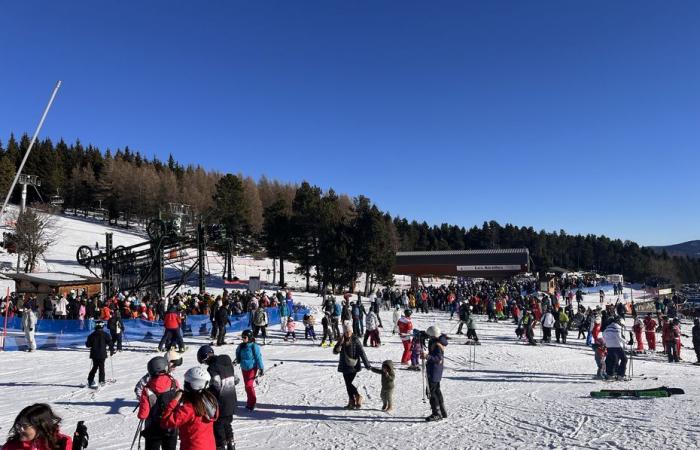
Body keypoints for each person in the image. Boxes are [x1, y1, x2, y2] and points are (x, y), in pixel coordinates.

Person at [161, 367, 219, 450]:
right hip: (209, 446)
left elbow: (166, 421)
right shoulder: (210, 400)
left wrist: (175, 400)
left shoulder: (189, 408)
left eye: (186, 383)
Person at [197, 345, 238, 450]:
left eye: (204, 361)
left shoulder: (212, 368)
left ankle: (221, 446)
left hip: (221, 402)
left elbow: (217, 384)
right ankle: (231, 444)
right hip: (231, 400)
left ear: (205, 357)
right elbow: (236, 379)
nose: (205, 364)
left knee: (218, 426)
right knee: (227, 424)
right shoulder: (227, 362)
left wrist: (206, 391)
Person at [137, 356, 180, 450]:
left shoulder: (147, 389)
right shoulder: (174, 383)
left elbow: (143, 415)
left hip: (153, 427)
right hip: (171, 425)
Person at [334, 320, 371, 409]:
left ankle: (358, 397)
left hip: (353, 365)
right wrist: (339, 344)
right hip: (344, 365)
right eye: (346, 332)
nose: (347, 333)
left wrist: (367, 364)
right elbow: (335, 351)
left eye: (349, 331)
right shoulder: (341, 339)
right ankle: (352, 402)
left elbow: (362, 353)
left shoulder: (355, 339)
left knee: (349, 384)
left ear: (352, 331)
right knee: (348, 384)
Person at [2, 403, 72, 450]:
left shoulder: (62, 443)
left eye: (25, 426)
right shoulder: (11, 446)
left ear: (40, 427)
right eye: (19, 424)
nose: (20, 429)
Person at [422, 325, 448, 421]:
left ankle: (436, 413)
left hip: (434, 370)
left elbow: (438, 359)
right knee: (436, 390)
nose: (428, 338)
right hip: (435, 370)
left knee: (430, 392)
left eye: (429, 336)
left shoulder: (437, 345)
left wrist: (427, 357)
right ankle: (442, 411)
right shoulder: (436, 340)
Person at [235, 329, 264, 410]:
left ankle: (252, 402)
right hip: (244, 368)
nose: (243, 339)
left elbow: (258, 357)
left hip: (252, 368)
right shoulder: (241, 346)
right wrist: (237, 360)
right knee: (247, 386)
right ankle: (249, 401)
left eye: (245, 337)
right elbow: (238, 354)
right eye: (242, 337)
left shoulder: (254, 346)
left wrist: (261, 368)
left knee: (249, 385)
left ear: (250, 337)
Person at [85, 320, 111, 388]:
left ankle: (90, 380)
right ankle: (101, 381)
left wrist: (88, 343)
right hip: (102, 354)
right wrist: (112, 350)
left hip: (94, 354)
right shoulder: (105, 334)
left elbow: (88, 345)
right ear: (102, 326)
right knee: (101, 367)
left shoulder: (91, 335)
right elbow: (110, 343)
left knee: (95, 367)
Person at [602, 316, 627, 380]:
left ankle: (611, 374)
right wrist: (627, 342)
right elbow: (619, 337)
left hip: (609, 346)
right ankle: (620, 375)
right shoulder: (617, 327)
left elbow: (604, 336)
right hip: (617, 346)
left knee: (613, 359)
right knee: (624, 359)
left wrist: (606, 343)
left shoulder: (607, 327)